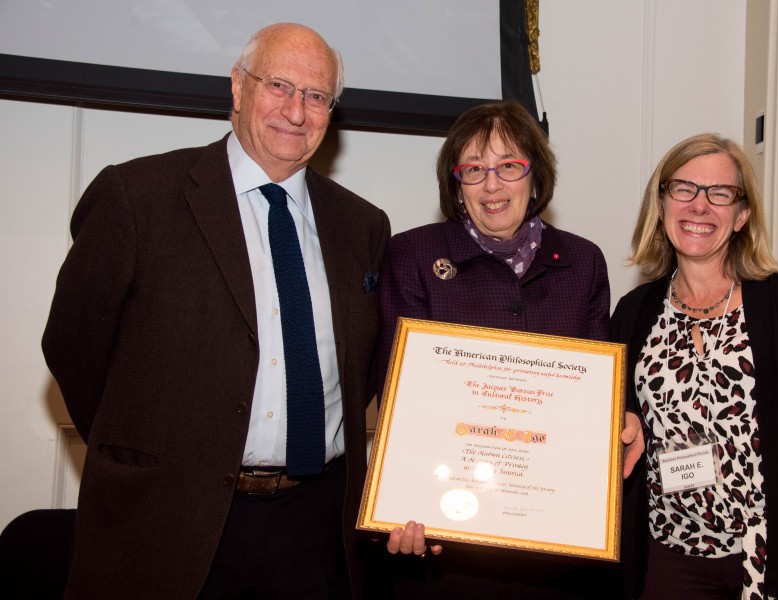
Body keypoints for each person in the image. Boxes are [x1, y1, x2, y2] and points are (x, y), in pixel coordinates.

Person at [41, 23, 389, 599]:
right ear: (238, 86)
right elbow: (73, 344)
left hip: (316, 530)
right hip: (168, 524)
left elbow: (367, 366)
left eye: (317, 96)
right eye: (279, 85)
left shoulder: (363, 226)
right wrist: (142, 453)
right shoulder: (138, 196)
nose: (296, 111)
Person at [368, 100, 643, 598]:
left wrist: (619, 417)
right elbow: (400, 396)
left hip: (552, 542)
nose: (492, 185)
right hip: (446, 541)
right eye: (473, 169)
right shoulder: (413, 254)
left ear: (535, 178)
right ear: (456, 185)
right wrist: (406, 500)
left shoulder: (582, 261)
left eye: (509, 166)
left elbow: (598, 390)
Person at [611, 133, 778, 600]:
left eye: (720, 194)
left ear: (742, 215)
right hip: (669, 560)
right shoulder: (633, 314)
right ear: (661, 203)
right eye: (684, 188)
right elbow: (621, 429)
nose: (700, 206)